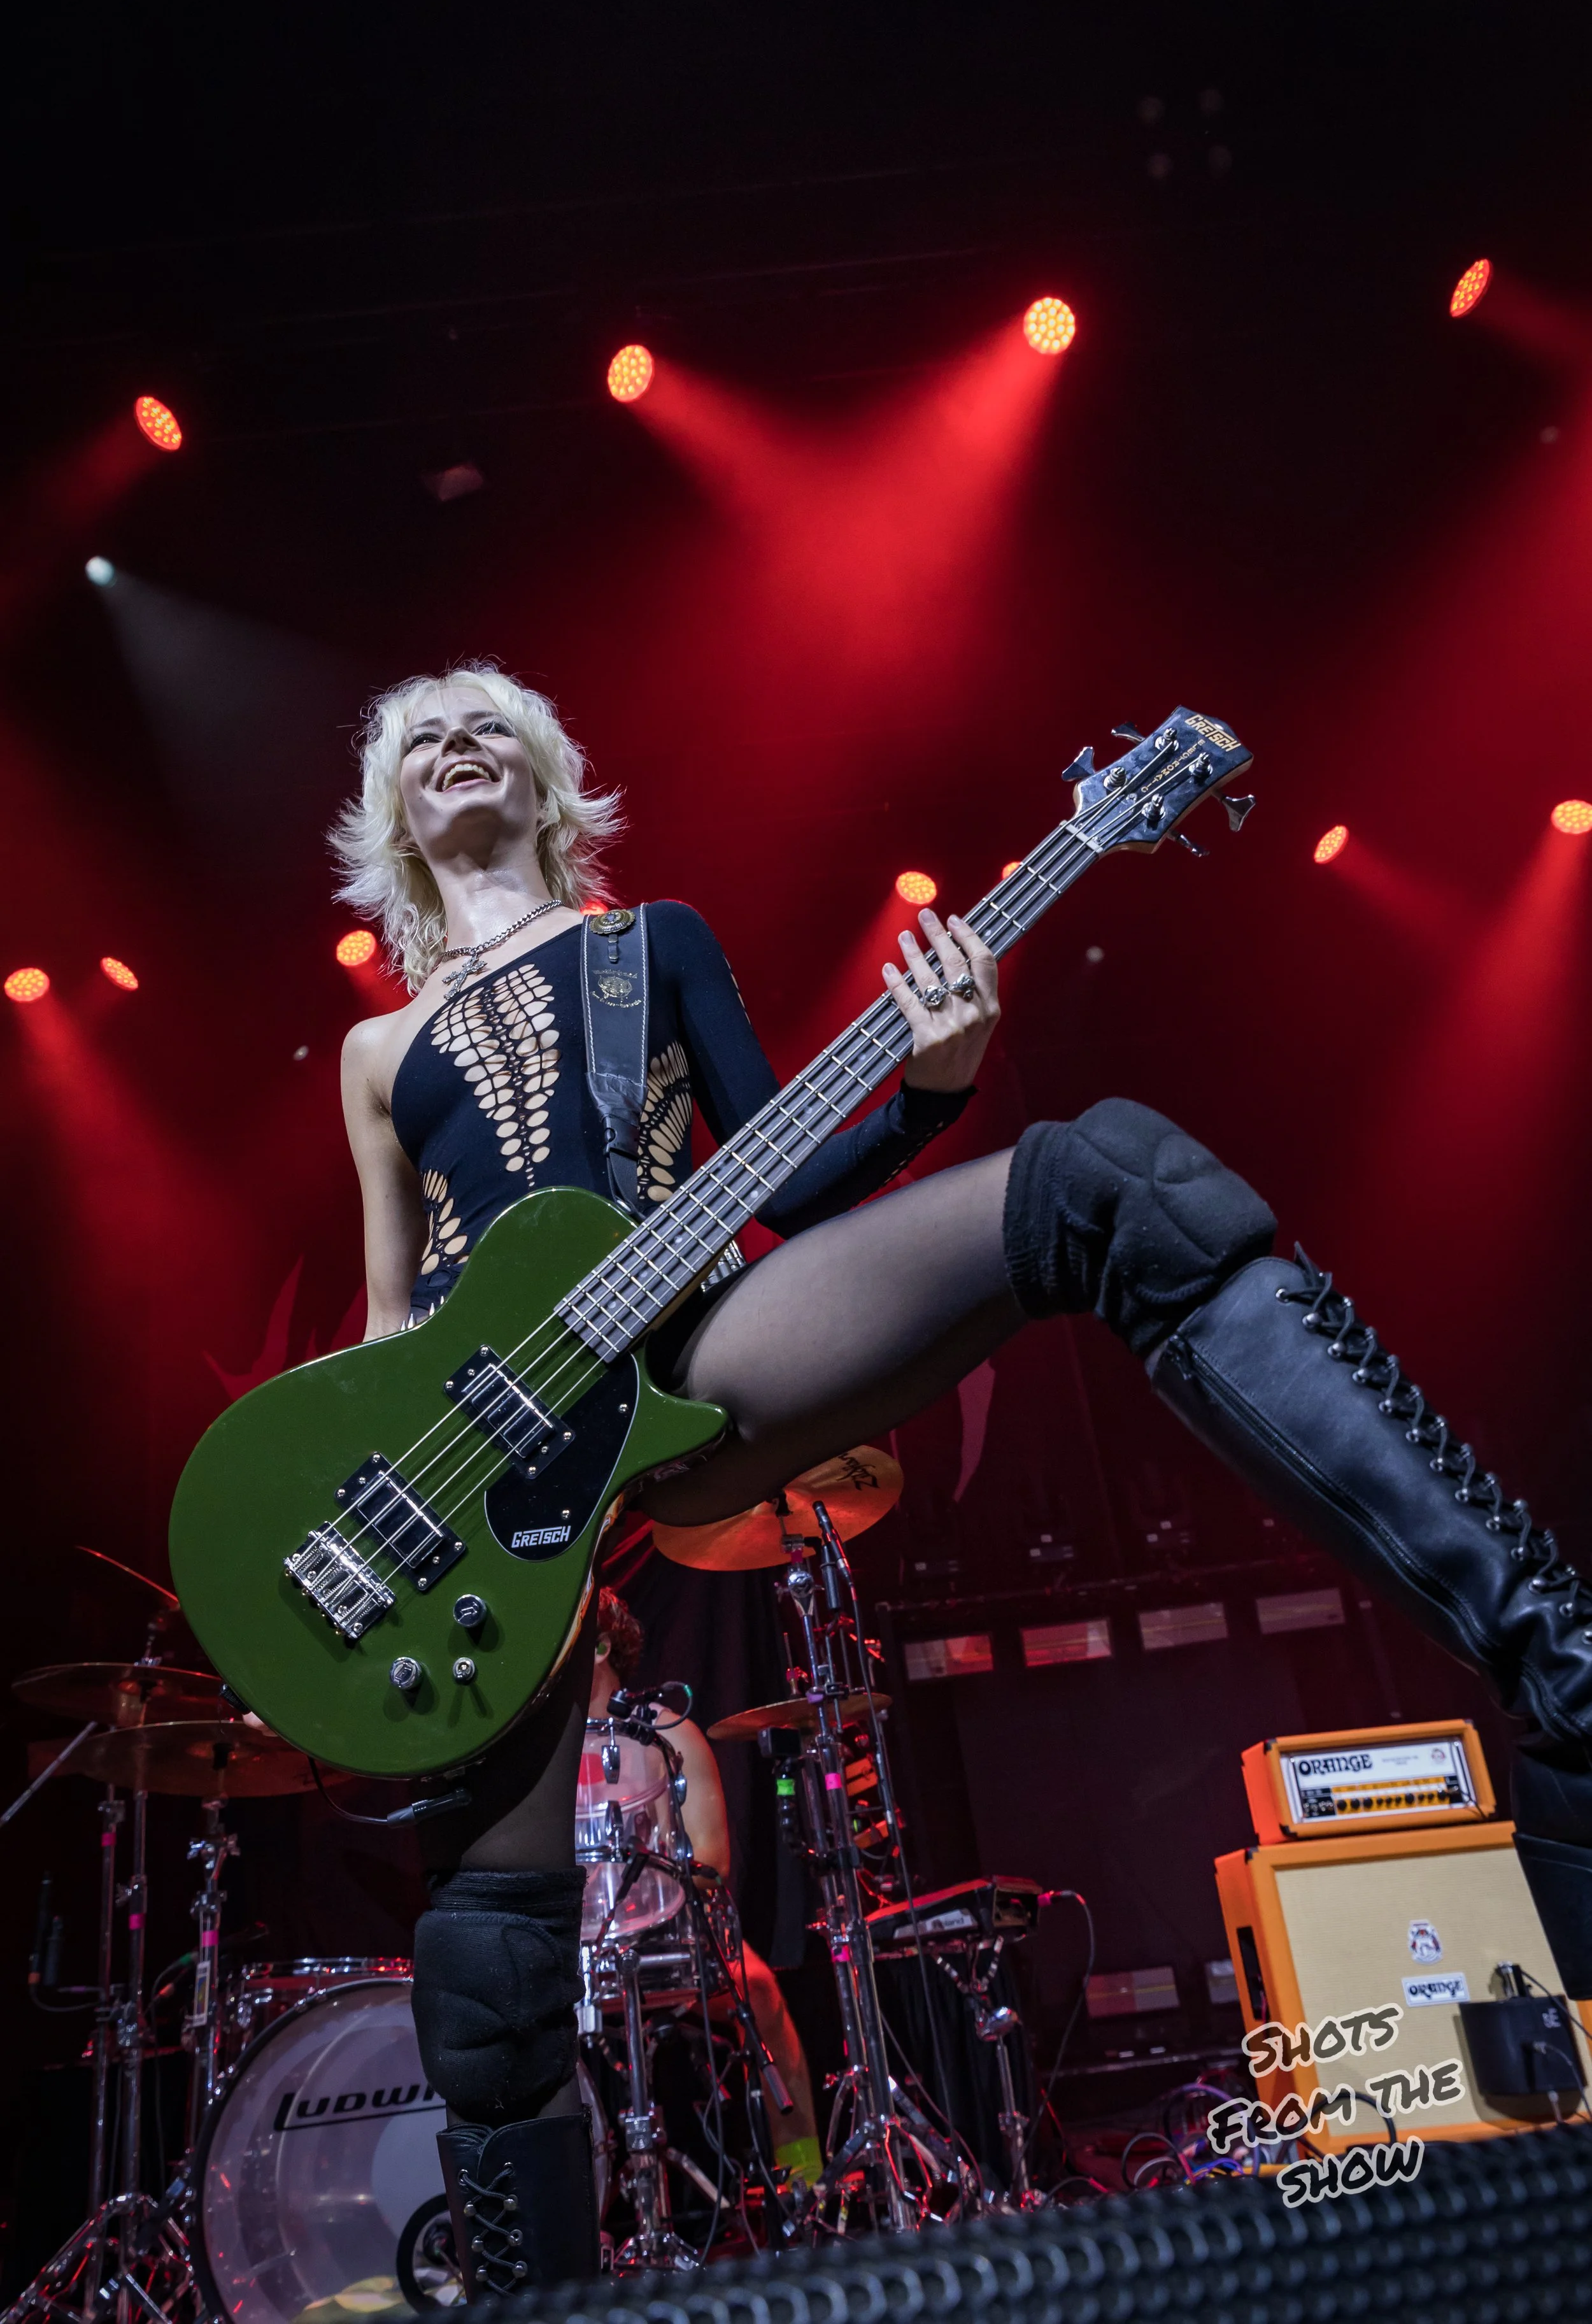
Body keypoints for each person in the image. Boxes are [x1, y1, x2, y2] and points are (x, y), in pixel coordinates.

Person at [334, 664, 1592, 2295]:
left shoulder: (651, 948)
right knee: (489, 1977)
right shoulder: (377, 1049)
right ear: (391, 810)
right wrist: (375, 1508)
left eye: (487, 723)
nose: (455, 743)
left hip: (687, 1354)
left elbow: (777, 1173)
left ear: (548, 778)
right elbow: (385, 1325)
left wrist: (931, 1091)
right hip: (483, 1467)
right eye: (422, 735)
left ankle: (1563, 1671)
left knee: (1107, 1184)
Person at [586, 1589, 823, 2189]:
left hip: (665, 1939)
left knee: (761, 1994)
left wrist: (641, 1892)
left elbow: (712, 1861)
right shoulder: (538, 1750)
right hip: (572, 1951)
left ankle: (804, 2182)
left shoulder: (667, 1733)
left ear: (600, 1647)